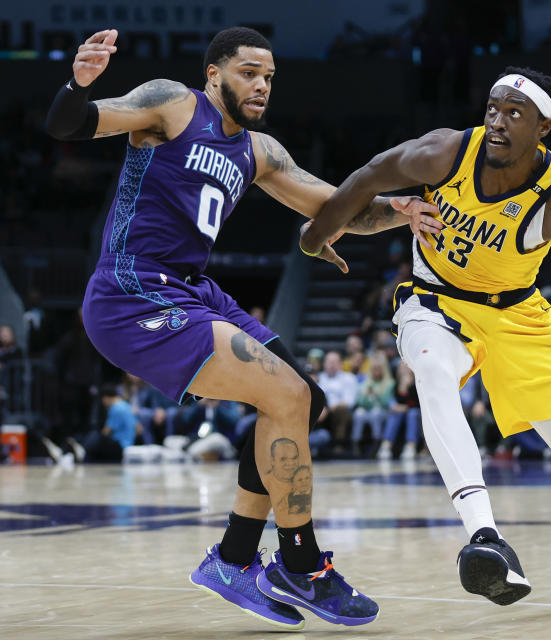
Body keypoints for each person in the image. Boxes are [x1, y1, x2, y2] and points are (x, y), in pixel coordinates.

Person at [46, 26, 439, 629]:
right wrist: (79, 82)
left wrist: (399, 212)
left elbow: (335, 208)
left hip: (192, 292)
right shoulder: (172, 104)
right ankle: (301, 566)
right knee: (284, 394)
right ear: (214, 74)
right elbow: (70, 124)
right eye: (249, 72)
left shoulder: (258, 151)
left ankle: (232, 559)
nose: (261, 85)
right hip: (130, 292)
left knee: (303, 401)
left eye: (269, 77)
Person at [300, 66, 551, 617]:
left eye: (514, 113)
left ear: (544, 127)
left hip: (520, 320)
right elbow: (370, 175)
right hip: (436, 302)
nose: (496, 121)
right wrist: (316, 235)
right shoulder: (444, 153)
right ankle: (485, 538)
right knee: (434, 376)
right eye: (492, 108)